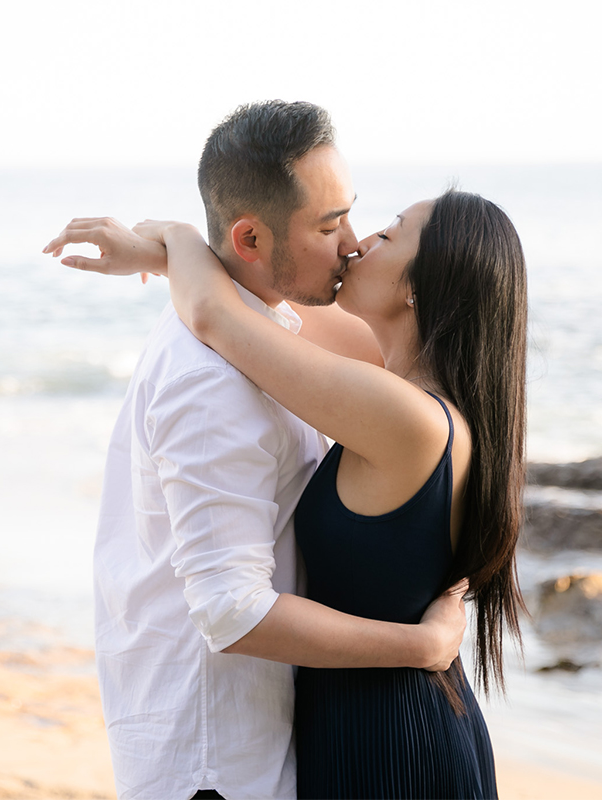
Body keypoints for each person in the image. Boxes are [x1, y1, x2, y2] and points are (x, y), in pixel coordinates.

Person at [43, 101, 502, 799]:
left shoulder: (403, 410)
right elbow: (220, 311)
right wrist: (171, 245)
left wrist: (170, 240)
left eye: (379, 231)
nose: (354, 242)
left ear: (417, 290)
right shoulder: (338, 364)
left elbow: (215, 312)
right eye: (335, 222)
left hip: (383, 735)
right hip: (267, 746)